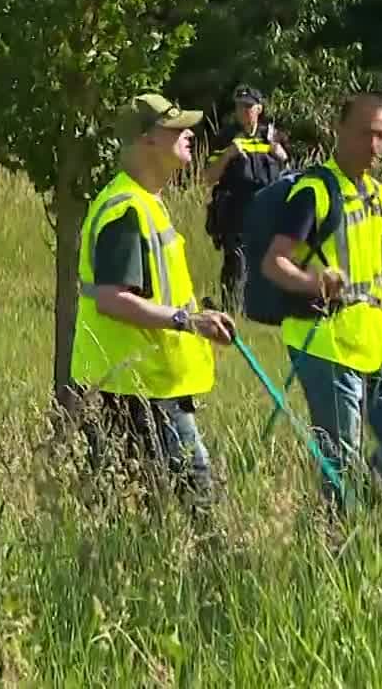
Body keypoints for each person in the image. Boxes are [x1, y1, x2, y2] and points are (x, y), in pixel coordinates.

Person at [70, 93, 237, 504]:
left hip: (146, 387)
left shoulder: (147, 203)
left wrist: (200, 316)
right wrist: (188, 321)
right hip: (136, 393)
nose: (189, 134)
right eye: (175, 127)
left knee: (145, 515)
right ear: (146, 139)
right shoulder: (126, 209)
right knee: (200, 512)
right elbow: (112, 299)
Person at [260, 92, 382, 509]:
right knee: (340, 461)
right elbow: (275, 263)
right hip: (323, 342)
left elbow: (373, 279)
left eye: (381, 135)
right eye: (365, 133)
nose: (373, 144)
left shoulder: (375, 194)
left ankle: (357, 508)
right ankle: (336, 534)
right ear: (339, 129)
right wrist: (316, 284)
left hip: (371, 343)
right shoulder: (316, 191)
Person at [202, 84, 288, 310]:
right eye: (240, 107)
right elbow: (209, 177)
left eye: (248, 107)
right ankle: (232, 309)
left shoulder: (272, 136)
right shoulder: (226, 137)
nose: (244, 112)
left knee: (267, 260)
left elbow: (288, 170)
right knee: (237, 261)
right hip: (235, 209)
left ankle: (262, 308)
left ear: (259, 109)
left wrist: (280, 154)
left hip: (267, 208)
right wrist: (228, 155)